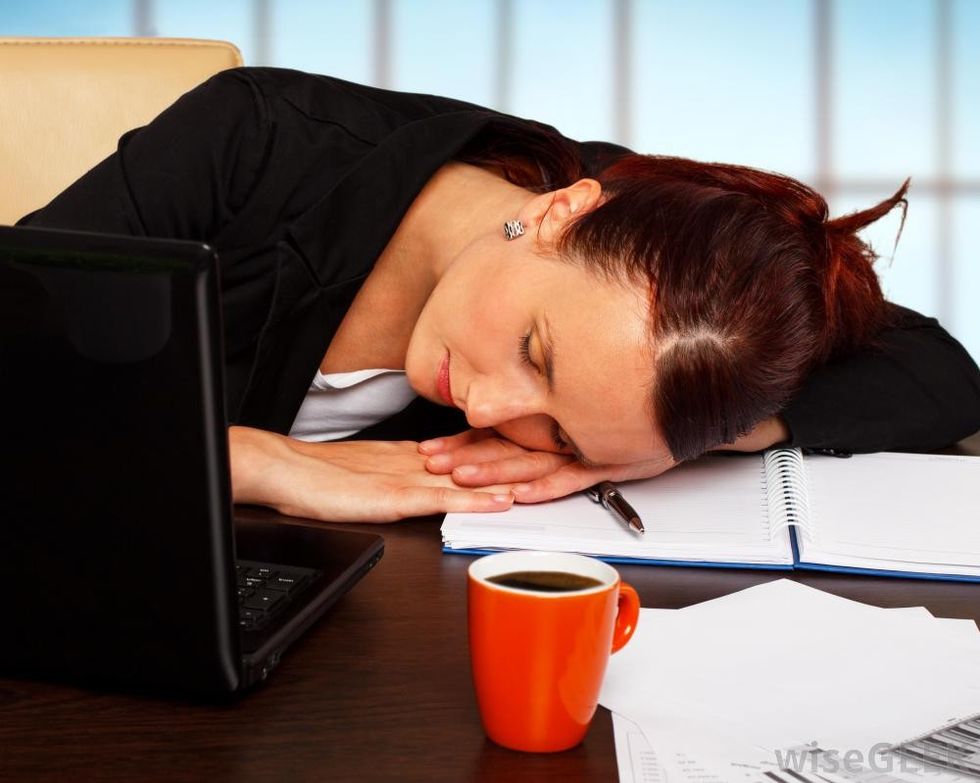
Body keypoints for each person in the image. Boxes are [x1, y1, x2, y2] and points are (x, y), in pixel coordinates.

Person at [19, 67, 980, 522]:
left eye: (556, 434)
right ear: (559, 211)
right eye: (535, 352)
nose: (485, 410)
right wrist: (240, 461)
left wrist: (662, 441)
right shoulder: (252, 142)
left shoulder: (689, 286)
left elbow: (937, 370)